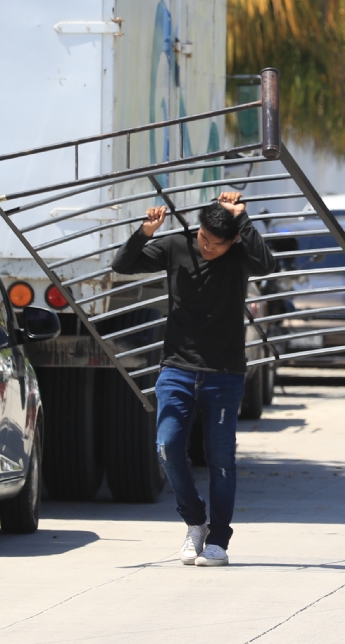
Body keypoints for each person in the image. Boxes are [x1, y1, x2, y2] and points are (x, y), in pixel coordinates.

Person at [111, 191, 275, 567]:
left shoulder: (239, 255)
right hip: (177, 369)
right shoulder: (176, 246)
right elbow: (123, 264)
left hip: (224, 374)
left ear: (232, 240)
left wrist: (242, 218)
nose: (207, 248)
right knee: (166, 447)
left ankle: (219, 539)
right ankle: (194, 521)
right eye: (203, 239)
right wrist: (144, 232)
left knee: (221, 460)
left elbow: (267, 265)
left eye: (216, 244)